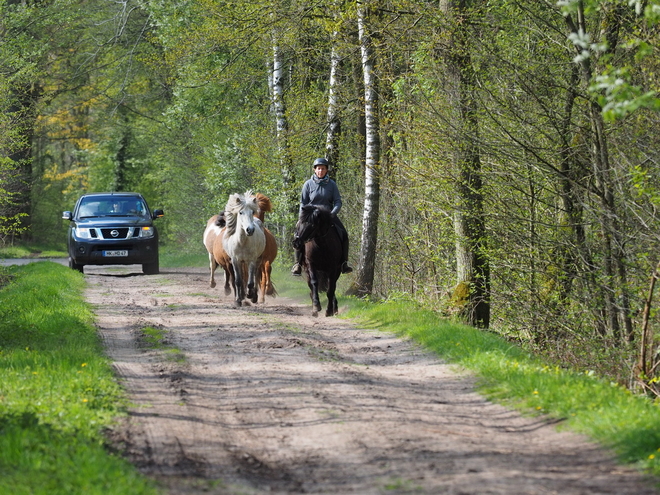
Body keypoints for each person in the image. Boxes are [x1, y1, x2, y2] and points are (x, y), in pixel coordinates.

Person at [292, 157, 353, 276]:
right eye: (318, 168)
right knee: (298, 234)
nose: (320, 171)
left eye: (323, 169)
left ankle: (344, 263)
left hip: (327, 216)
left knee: (343, 233)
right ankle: (297, 264)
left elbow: (338, 201)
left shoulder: (332, 185)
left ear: (326, 170)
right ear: (315, 170)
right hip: (311, 216)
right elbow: (303, 202)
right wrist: (302, 217)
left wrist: (333, 213)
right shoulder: (308, 184)